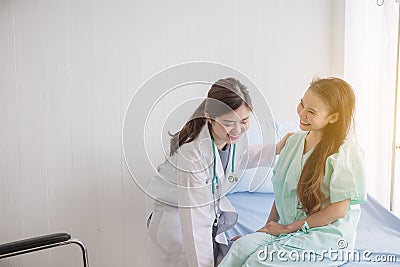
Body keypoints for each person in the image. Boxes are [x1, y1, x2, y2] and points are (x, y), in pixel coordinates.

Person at [219, 77, 367, 266]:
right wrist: (266, 229)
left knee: (258, 262)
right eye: (302, 104)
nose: (302, 114)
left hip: (326, 235)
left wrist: (288, 228)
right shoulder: (292, 142)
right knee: (240, 249)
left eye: (311, 111)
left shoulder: (346, 153)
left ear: (333, 117)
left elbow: (338, 210)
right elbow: (281, 193)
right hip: (289, 228)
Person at [146, 77, 290, 267]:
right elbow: (195, 224)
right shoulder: (193, 156)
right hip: (177, 223)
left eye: (244, 120)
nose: (237, 130)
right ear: (209, 117)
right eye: (229, 123)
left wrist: (277, 148)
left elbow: (242, 156)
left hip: (206, 216)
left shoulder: (228, 139)